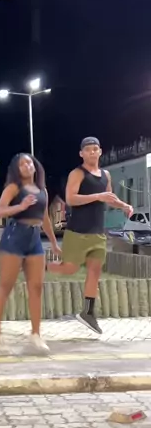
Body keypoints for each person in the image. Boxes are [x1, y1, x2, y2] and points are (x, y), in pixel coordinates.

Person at [48, 136, 132, 333]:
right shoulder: (77, 173)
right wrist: (97, 196)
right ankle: (38, 266)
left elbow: (108, 198)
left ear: (100, 151)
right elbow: (70, 199)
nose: (92, 152)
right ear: (81, 153)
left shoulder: (106, 175)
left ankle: (88, 312)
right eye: (88, 149)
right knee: (69, 269)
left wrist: (124, 205)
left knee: (95, 272)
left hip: (98, 232)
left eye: (95, 149)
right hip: (78, 232)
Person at [0, 152, 61, 354]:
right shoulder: (14, 188)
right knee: (6, 285)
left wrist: (54, 243)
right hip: (14, 236)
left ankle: (36, 334)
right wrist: (20, 206)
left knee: (36, 287)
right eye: (22, 164)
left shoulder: (42, 190)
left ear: (35, 165)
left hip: (34, 239)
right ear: (17, 169)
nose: (27, 166)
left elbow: (45, 218)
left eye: (29, 162)